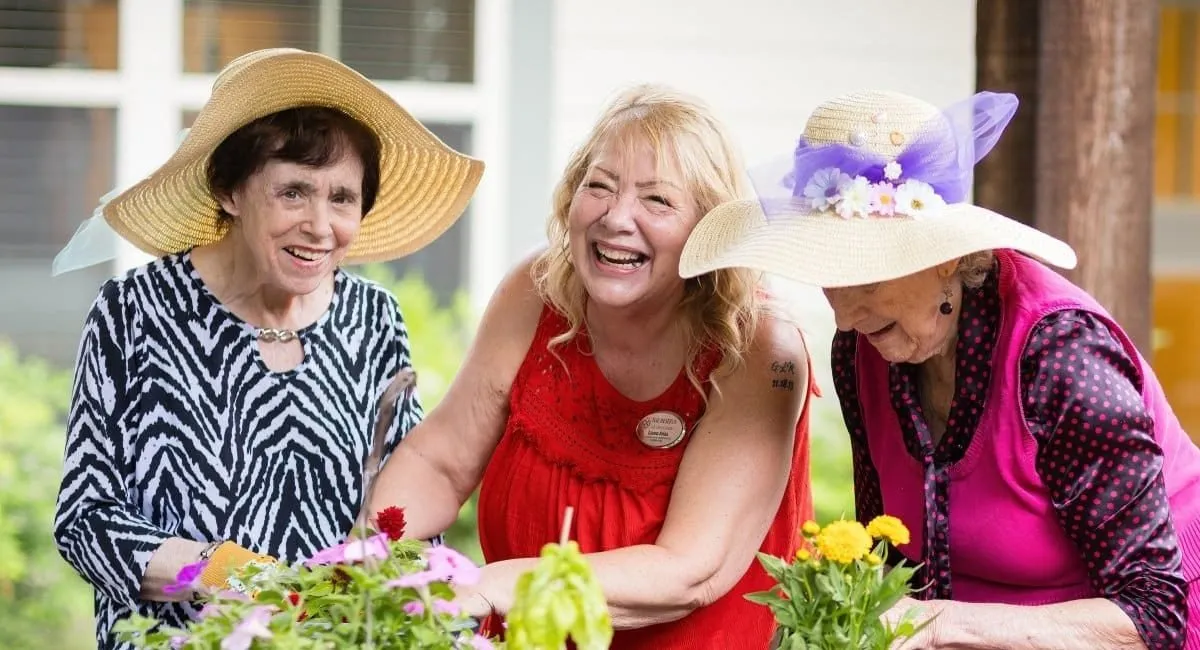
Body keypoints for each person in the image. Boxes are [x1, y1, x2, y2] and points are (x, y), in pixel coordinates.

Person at [679, 88, 1200, 648]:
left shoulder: (1061, 355)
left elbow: (1152, 617)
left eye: (867, 279)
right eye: (830, 278)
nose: (845, 315)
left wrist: (937, 625)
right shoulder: (867, 349)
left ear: (945, 256)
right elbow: (889, 569)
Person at [51, 48, 483, 650]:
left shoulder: (373, 318)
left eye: (342, 198)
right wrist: (247, 581)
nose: (320, 225)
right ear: (230, 190)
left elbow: (403, 515)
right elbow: (87, 522)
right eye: (293, 192)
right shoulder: (133, 313)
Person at [367, 83, 816, 648]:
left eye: (657, 200)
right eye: (599, 187)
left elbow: (690, 570)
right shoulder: (537, 292)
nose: (617, 218)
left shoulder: (760, 349)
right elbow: (441, 462)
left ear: (709, 229)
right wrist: (364, 559)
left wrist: (491, 584)